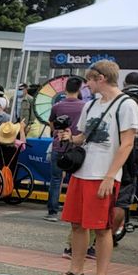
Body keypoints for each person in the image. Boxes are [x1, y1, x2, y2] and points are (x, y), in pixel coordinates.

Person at [44, 61, 138, 275]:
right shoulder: (91, 104)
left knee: (103, 228)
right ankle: (75, 272)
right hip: (82, 171)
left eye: (90, 80)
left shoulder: (126, 105)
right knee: (76, 223)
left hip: (104, 174)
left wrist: (110, 175)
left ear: (101, 78)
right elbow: (83, 137)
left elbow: (127, 143)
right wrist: (69, 137)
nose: (87, 85)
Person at [47, 78, 87, 221]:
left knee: (56, 179)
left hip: (59, 145)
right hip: (77, 148)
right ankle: (73, 211)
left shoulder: (57, 106)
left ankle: (52, 212)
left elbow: (51, 125)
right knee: (75, 180)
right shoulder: (85, 106)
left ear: (65, 89)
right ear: (79, 89)